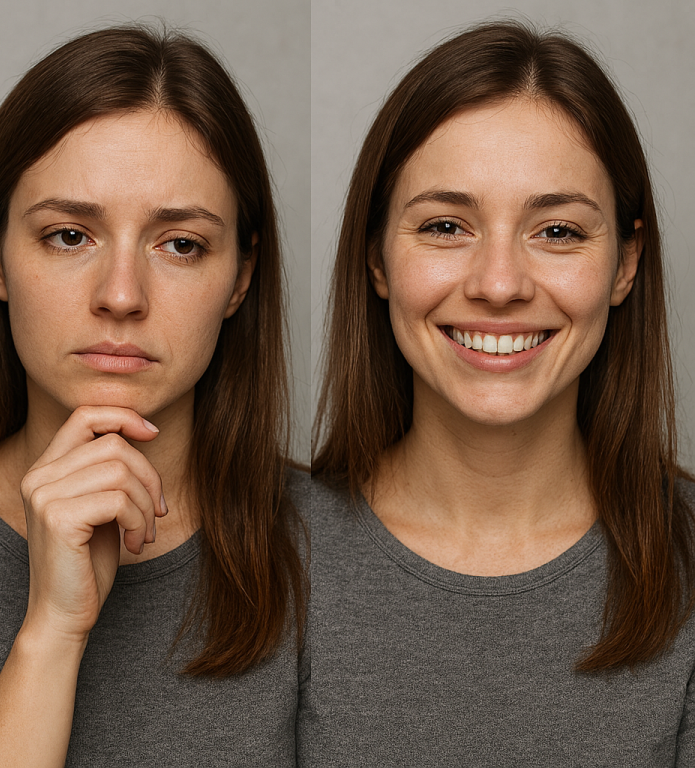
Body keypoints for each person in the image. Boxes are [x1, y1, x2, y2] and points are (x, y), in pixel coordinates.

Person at [302, 20, 695, 765]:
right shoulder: (265, 555)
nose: (499, 285)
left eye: (558, 232)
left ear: (625, 264)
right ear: (377, 257)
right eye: (447, 225)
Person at [0, 25, 306, 767]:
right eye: (70, 236)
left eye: (181, 244)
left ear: (240, 277)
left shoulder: (336, 546)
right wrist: (52, 632)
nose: (122, 296)